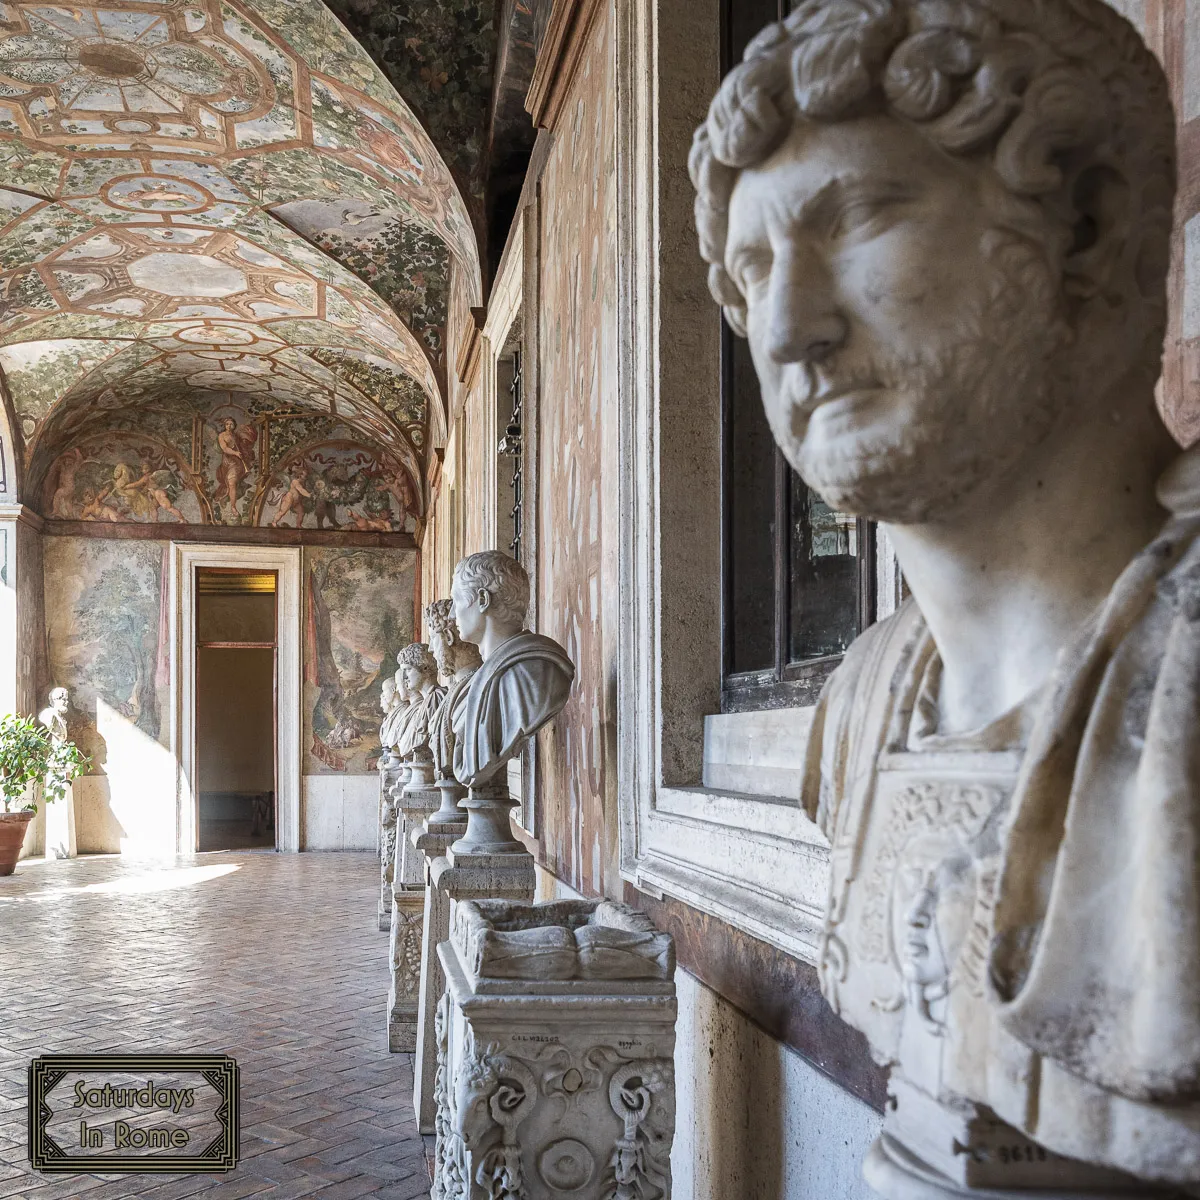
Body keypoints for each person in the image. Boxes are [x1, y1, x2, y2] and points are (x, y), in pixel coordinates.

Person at [691, 0, 1198, 1188]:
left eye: (859, 217)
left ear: (1087, 225)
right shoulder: (868, 697)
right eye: (754, 267)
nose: (786, 328)